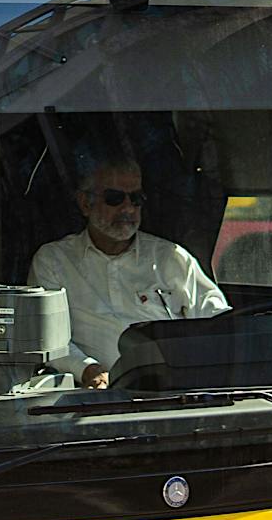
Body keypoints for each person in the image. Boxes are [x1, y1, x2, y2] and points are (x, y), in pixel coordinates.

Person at [29, 153, 228, 388]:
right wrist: (86, 369)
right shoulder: (54, 261)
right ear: (85, 203)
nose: (128, 208)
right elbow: (46, 338)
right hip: (96, 398)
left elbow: (219, 325)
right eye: (114, 198)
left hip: (174, 392)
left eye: (136, 199)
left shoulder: (170, 258)